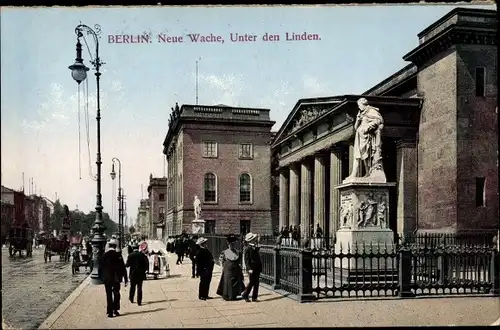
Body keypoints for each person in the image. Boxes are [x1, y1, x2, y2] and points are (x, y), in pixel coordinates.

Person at [99, 239, 128, 317]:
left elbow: (100, 268)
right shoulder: (118, 255)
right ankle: (115, 310)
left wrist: (101, 277)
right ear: (115, 247)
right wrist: (125, 279)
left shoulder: (104, 256)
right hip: (116, 278)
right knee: (116, 294)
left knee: (108, 295)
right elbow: (123, 267)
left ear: (109, 247)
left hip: (107, 278)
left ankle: (110, 312)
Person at [216, 234, 245, 301]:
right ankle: (227, 295)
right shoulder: (224, 252)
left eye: (233, 244)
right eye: (230, 244)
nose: (231, 245)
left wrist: (240, 269)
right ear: (228, 244)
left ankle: (234, 295)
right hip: (228, 270)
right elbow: (221, 260)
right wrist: (223, 266)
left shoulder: (238, 252)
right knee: (227, 282)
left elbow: (240, 262)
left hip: (236, 270)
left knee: (236, 282)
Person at [242, 232, 262, 302]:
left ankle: (254, 297)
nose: (255, 239)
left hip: (257, 267)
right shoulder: (247, 249)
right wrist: (249, 268)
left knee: (256, 283)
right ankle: (245, 294)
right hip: (251, 268)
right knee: (251, 282)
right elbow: (246, 260)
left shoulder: (255, 247)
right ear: (251, 240)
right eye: (254, 239)